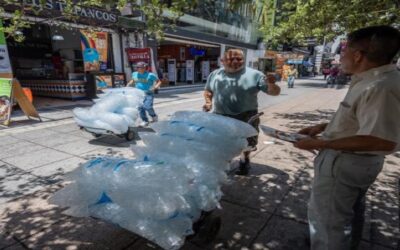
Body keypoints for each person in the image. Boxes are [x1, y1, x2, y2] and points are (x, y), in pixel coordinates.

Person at [293, 25, 400, 250]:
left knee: (329, 222)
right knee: (347, 213)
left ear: (358, 55)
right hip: (353, 163)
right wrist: (322, 126)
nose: (340, 57)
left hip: (346, 163)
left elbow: (382, 140)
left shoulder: (379, 87)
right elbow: (357, 119)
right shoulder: (369, 79)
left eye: (344, 51)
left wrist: (322, 143)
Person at [203, 48, 281, 175]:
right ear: (222, 61)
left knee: (247, 144)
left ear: (243, 60)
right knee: (222, 142)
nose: (235, 61)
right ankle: (224, 163)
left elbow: (274, 92)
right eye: (230, 59)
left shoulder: (256, 75)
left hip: (247, 116)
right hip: (221, 116)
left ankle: (244, 161)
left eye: (239, 59)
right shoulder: (215, 74)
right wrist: (208, 103)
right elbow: (208, 91)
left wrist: (272, 84)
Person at [127, 62, 162, 127]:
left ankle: (154, 116)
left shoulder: (150, 75)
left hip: (148, 93)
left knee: (147, 106)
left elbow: (159, 81)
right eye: (137, 67)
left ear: (144, 67)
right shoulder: (134, 74)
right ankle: (145, 121)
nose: (138, 69)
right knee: (140, 108)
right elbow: (133, 80)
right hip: (138, 94)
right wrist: (129, 84)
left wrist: (155, 87)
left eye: (140, 67)